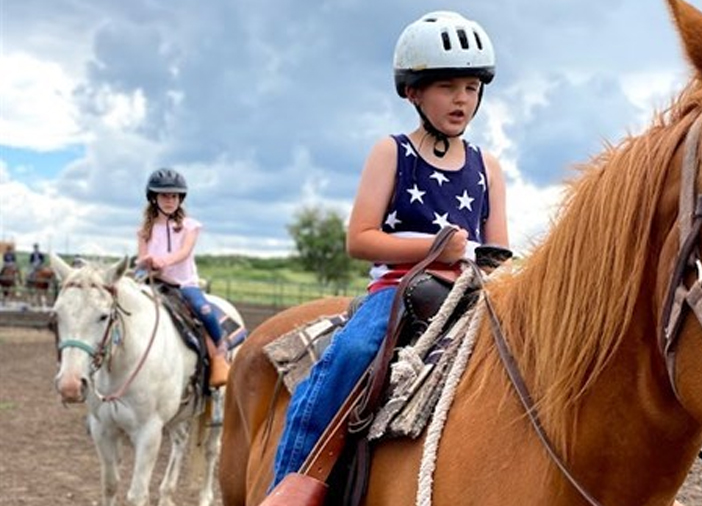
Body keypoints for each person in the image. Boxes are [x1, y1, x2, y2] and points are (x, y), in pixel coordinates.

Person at [270, 10, 509, 489]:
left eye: (471, 87)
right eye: (447, 87)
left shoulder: (488, 166)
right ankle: (290, 485)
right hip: (399, 291)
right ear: (413, 91)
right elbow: (359, 238)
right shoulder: (392, 152)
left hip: (471, 294)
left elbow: (498, 251)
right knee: (353, 351)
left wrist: (486, 264)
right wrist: (436, 249)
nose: (461, 99)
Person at [136, 167, 230, 387]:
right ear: (153, 198)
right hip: (155, 282)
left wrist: (164, 261)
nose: (170, 200)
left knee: (203, 310)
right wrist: (147, 263)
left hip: (183, 284)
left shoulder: (189, 226)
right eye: (165, 195)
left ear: (180, 198)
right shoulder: (144, 231)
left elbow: (184, 253)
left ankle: (220, 352)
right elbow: (142, 257)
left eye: (174, 196)